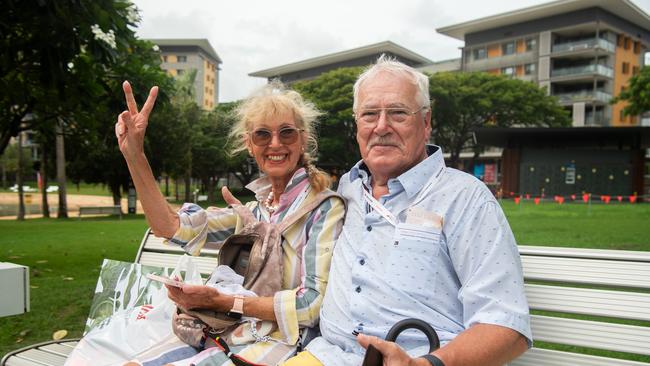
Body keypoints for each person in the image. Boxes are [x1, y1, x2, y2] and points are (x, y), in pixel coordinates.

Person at [283, 56, 532, 366]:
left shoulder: (465, 199)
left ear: (426, 123)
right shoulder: (348, 189)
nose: (381, 126)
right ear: (357, 124)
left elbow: (507, 325)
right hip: (323, 356)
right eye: (369, 114)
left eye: (398, 113)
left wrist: (428, 364)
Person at [115, 80, 346, 365]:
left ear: (303, 138)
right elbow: (171, 227)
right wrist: (135, 156)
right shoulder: (253, 210)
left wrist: (221, 301)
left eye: (286, 133)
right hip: (228, 330)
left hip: (282, 342)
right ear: (250, 145)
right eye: (262, 135)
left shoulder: (324, 208)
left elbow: (311, 305)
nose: (275, 143)